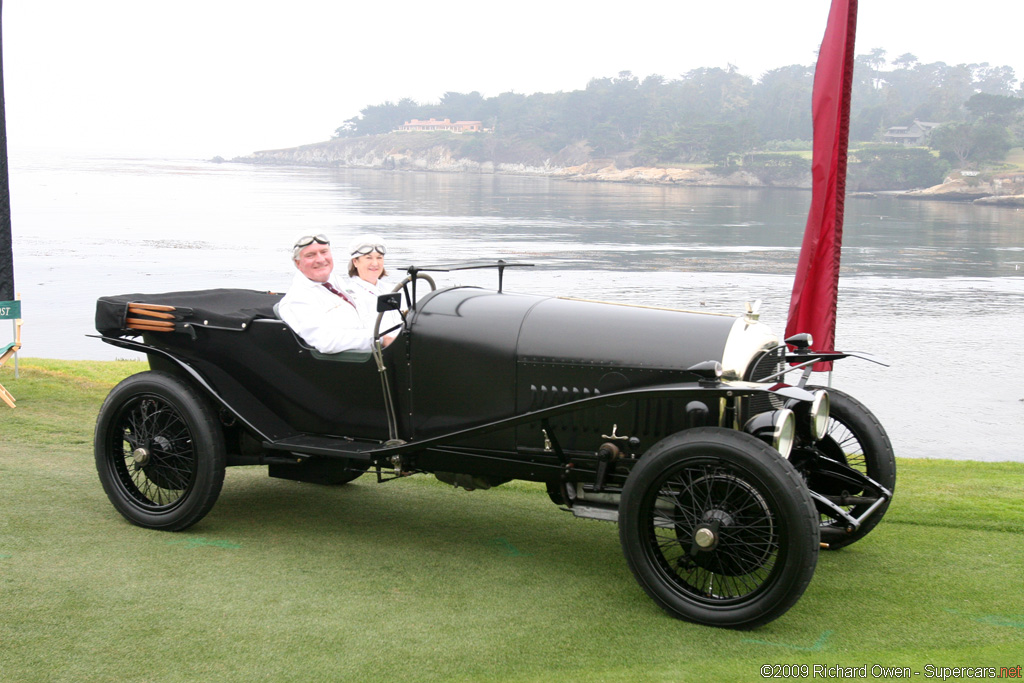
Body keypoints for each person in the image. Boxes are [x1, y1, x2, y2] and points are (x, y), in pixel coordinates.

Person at [278, 234, 394, 354]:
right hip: (352, 364)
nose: (320, 259)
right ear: (298, 263)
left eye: (324, 252)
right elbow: (326, 341)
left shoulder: (337, 282)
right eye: (310, 255)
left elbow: (364, 318)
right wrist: (380, 339)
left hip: (374, 352)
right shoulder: (297, 299)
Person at [345, 234, 403, 338]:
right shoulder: (349, 295)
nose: (375, 263)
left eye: (379, 258)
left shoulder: (392, 289)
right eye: (368, 258)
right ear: (355, 262)